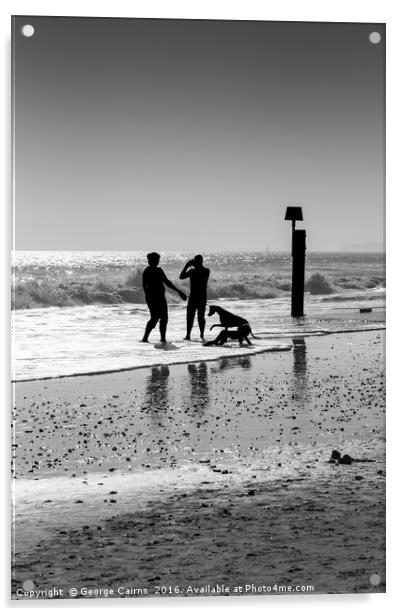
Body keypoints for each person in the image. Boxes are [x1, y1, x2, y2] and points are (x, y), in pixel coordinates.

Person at [141, 252, 186, 344]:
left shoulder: (159, 270)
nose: (156, 262)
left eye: (157, 260)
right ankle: (145, 338)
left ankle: (163, 338)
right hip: (152, 298)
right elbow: (144, 286)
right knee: (154, 318)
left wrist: (178, 291)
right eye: (154, 260)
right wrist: (149, 296)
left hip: (161, 297)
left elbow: (166, 282)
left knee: (164, 318)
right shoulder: (147, 270)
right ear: (149, 260)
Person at [179, 255, 210, 341]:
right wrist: (187, 266)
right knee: (192, 317)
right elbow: (181, 277)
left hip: (198, 297)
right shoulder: (197, 271)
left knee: (199, 317)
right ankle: (190, 335)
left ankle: (200, 335)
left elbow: (181, 276)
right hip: (197, 297)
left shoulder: (204, 271)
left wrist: (187, 266)